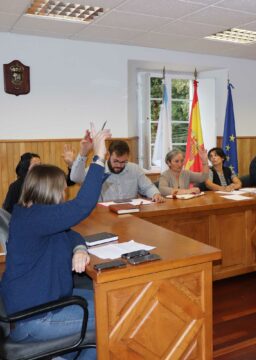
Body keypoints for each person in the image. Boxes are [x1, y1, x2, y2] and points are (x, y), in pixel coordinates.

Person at [0, 125, 111, 360]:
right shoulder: (38, 217)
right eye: (62, 188)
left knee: (112, 298)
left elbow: (70, 234)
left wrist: (79, 248)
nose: (65, 192)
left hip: (47, 304)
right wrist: (99, 156)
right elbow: (82, 206)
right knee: (114, 313)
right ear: (51, 190)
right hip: (36, 318)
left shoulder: (33, 214)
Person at [71, 139, 164, 202]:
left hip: (130, 214)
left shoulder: (134, 169)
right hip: (104, 216)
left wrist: (155, 194)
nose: (119, 165)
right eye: (116, 161)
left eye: (123, 162)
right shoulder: (97, 169)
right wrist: (83, 153)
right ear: (108, 155)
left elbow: (147, 187)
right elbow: (76, 178)